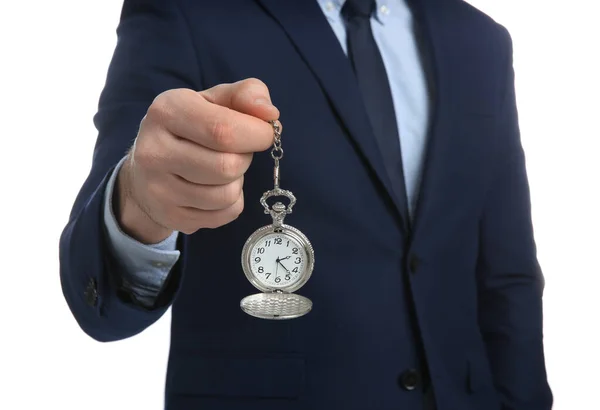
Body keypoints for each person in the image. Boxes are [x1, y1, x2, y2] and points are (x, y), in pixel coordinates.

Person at [59, 0, 553, 408]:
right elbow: (98, 294)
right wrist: (142, 205)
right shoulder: (188, 12)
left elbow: (505, 272)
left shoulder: (481, 40)